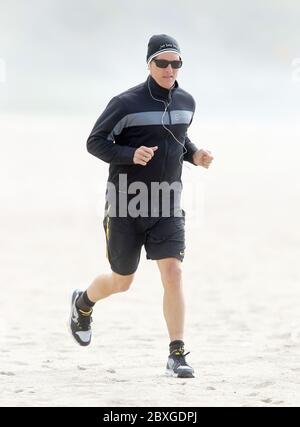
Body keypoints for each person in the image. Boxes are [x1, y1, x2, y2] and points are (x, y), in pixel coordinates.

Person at [69, 34, 214, 378]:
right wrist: (130, 154)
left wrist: (195, 155)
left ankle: (176, 354)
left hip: (166, 205)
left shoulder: (187, 102)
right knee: (122, 281)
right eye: (162, 62)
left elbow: (178, 138)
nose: (169, 69)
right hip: (125, 205)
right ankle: (83, 303)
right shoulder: (124, 103)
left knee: (173, 273)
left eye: (175, 63)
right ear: (149, 64)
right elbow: (95, 142)